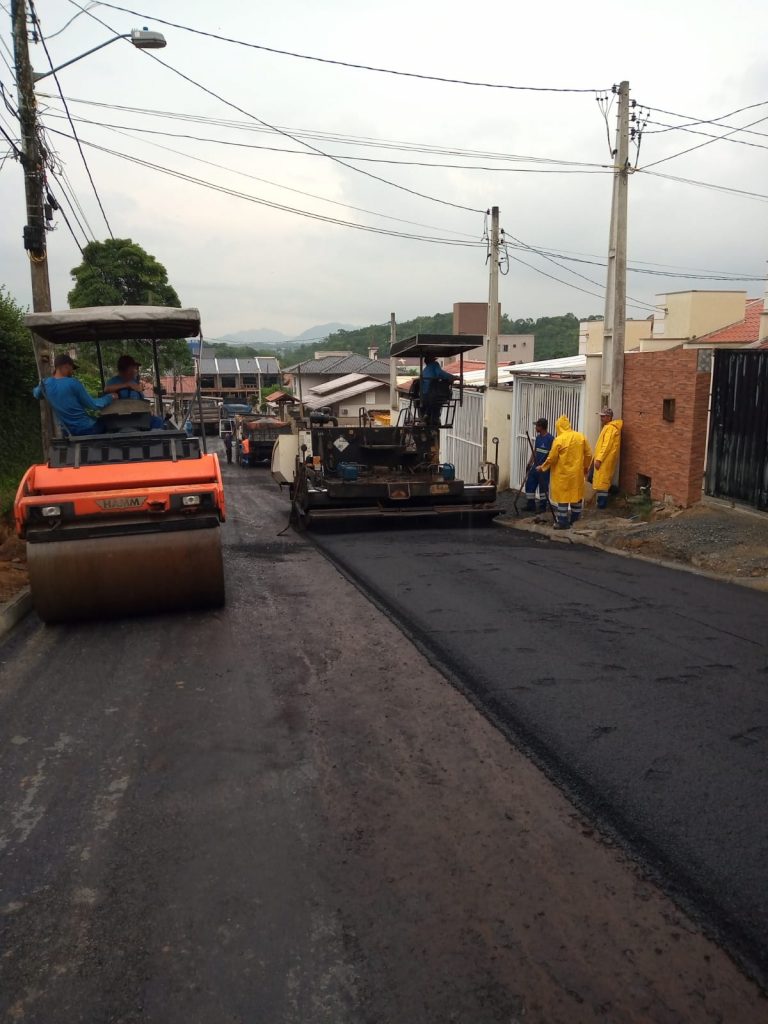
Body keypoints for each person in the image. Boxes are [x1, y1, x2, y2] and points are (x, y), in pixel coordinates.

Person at [33, 353, 116, 436]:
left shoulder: (45, 384)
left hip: (67, 432)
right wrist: (110, 397)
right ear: (67, 366)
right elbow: (94, 405)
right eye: (72, 368)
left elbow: (36, 394)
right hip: (87, 429)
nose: (72, 372)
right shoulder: (73, 383)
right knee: (109, 423)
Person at [538, 415, 592, 530]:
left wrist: (542, 467)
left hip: (562, 475)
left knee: (563, 498)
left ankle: (562, 522)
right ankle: (575, 520)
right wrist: (586, 467)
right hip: (576, 474)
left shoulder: (559, 440)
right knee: (576, 496)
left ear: (559, 427)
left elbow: (552, 458)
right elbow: (588, 454)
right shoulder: (580, 437)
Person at [104, 354, 165, 428]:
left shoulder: (135, 382)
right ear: (129, 369)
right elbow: (106, 389)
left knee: (158, 421)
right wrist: (127, 385)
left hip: (138, 417)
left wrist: (149, 409)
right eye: (134, 368)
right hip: (117, 419)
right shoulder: (113, 382)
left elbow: (142, 400)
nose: (135, 371)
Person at [590, 407, 623, 510]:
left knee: (602, 483)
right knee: (601, 482)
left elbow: (606, 445)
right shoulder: (609, 427)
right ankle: (601, 504)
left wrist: (599, 459)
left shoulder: (610, 428)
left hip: (604, 460)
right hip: (605, 460)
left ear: (608, 417)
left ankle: (601, 506)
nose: (601, 418)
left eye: (603, 416)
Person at [524, 417, 554, 513]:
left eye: (536, 426)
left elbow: (552, 455)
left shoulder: (551, 439)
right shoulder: (538, 438)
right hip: (535, 466)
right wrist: (529, 463)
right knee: (529, 484)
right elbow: (535, 452)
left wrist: (546, 466)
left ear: (541, 427)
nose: (535, 428)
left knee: (543, 488)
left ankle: (542, 507)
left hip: (544, 468)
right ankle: (530, 505)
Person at [420, 354, 458, 426]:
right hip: (433, 393)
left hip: (424, 395)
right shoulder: (434, 365)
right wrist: (453, 377)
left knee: (433, 401)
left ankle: (427, 416)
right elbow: (440, 373)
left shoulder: (424, 370)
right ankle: (434, 418)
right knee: (440, 398)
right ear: (432, 360)